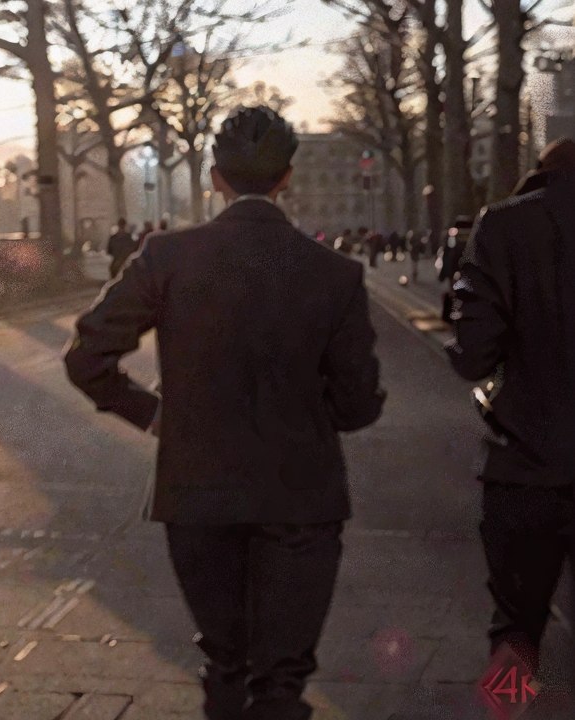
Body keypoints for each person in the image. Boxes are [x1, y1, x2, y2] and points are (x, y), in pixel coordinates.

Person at [65, 106, 385, 720]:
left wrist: (153, 413)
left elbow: (87, 356)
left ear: (215, 178)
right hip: (301, 492)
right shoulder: (336, 274)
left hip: (197, 487)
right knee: (282, 677)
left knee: (225, 661)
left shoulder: (167, 257)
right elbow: (358, 404)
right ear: (286, 178)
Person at [446, 138, 575, 679]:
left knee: (516, 633)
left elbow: (473, 353)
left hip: (527, 463)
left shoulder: (503, 226)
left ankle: (510, 713)